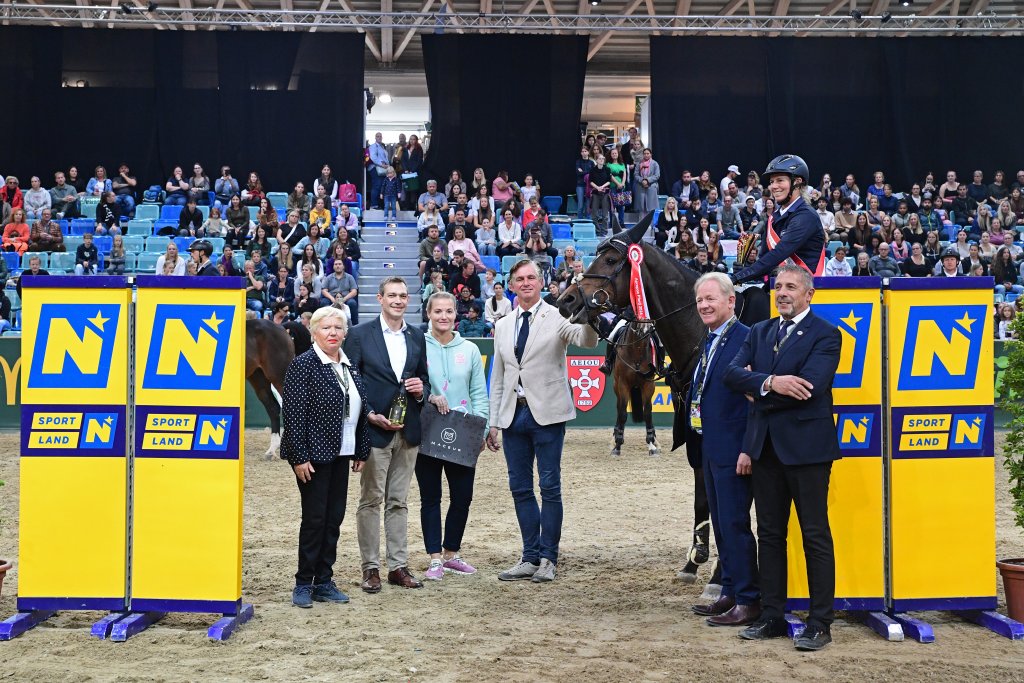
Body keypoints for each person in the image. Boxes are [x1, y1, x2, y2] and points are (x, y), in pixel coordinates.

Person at [723, 266, 842, 651]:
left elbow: (810, 387)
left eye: (791, 287)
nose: (782, 293)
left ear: (810, 294)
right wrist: (773, 382)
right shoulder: (759, 331)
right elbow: (731, 374)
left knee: (814, 535)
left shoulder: (826, 334)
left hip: (807, 451)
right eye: (778, 287)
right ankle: (773, 615)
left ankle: (820, 623)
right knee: (771, 536)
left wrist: (757, 386)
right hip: (765, 450)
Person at [487, 259, 599, 583]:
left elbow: (586, 340)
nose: (525, 283)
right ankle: (529, 556)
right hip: (512, 415)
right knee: (520, 488)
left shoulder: (557, 316)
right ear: (511, 285)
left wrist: (589, 316)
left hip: (547, 414)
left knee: (549, 487)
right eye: (520, 278)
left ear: (540, 282)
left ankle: (549, 558)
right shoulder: (503, 324)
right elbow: (499, 377)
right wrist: (493, 422)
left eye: (531, 277)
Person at [344, 277, 430, 593]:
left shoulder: (418, 336)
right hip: (374, 432)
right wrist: (368, 414)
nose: (397, 300)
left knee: (399, 501)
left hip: (408, 433)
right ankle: (370, 569)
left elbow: (425, 380)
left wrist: (422, 391)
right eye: (392, 295)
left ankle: (398, 566)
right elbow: (350, 382)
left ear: (408, 300)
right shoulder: (359, 335)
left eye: (403, 295)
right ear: (380, 298)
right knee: (370, 500)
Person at [282, 306, 371, 608]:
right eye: (326, 328)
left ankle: (324, 580)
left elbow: (361, 411)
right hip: (313, 457)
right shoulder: (303, 365)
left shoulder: (349, 366)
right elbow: (292, 415)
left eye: (338, 328)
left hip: (342, 453)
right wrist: (298, 456)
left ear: (346, 332)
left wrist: (361, 449)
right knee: (315, 519)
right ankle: (303, 583)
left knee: (333, 519)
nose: (333, 333)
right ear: (314, 331)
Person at [683, 273, 758, 627]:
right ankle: (728, 590)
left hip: (734, 449)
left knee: (734, 523)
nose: (704, 305)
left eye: (711, 299)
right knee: (723, 525)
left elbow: (754, 402)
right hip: (711, 446)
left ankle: (747, 598)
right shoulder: (710, 339)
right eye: (700, 300)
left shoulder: (746, 338)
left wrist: (748, 449)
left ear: (731, 301)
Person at [732, 155, 826, 284]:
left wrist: (738, 277)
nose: (774, 186)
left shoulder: (806, 216)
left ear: (797, 182)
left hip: (804, 291)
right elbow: (766, 262)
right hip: (778, 287)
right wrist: (744, 269)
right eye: (771, 182)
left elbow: (779, 254)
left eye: (780, 180)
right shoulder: (773, 218)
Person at [321, 258, 359, 323]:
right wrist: (332, 298)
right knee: (324, 302)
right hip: (332, 298)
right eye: (336, 264)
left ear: (343, 266)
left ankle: (354, 325)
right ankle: (326, 323)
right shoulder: (329, 277)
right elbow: (324, 291)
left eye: (339, 264)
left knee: (352, 303)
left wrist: (344, 299)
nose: (338, 266)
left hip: (346, 298)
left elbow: (354, 291)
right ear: (333, 267)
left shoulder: (349, 277)